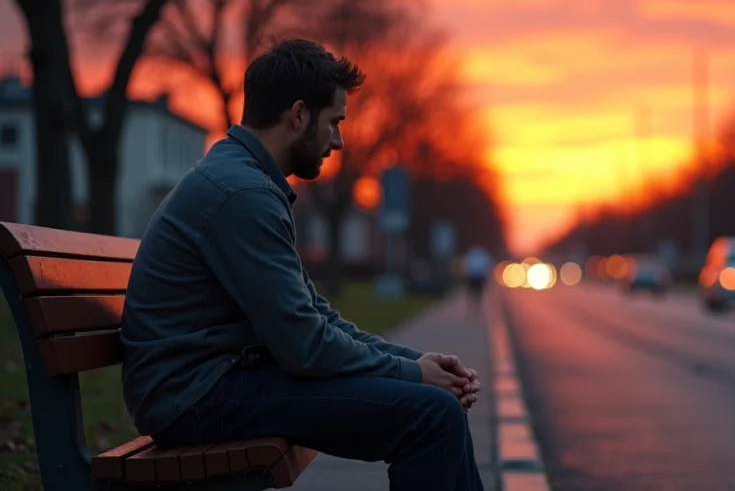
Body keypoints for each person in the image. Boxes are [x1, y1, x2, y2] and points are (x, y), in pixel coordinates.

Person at [120, 39, 483, 491]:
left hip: (212, 383)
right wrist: (413, 375)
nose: (338, 140)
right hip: (195, 397)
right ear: (297, 115)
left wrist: (417, 362)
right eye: (333, 123)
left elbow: (315, 316)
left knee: (432, 406)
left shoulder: (246, 181)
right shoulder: (243, 195)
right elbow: (305, 346)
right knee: (431, 416)